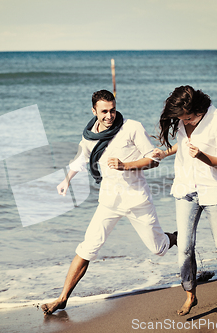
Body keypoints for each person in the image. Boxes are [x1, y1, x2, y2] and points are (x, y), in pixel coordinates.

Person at [41, 90, 177, 315]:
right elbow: (79, 160)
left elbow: (153, 160)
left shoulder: (131, 127)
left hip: (137, 200)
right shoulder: (88, 136)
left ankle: (174, 238)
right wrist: (66, 181)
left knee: (158, 249)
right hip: (108, 202)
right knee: (87, 248)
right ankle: (62, 298)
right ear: (93, 111)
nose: (109, 115)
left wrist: (126, 165)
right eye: (104, 111)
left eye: (112, 110)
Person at [154, 85, 217, 315]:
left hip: (214, 190)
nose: (185, 122)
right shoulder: (184, 119)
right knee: (185, 246)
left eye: (188, 118)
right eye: (182, 119)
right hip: (185, 189)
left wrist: (201, 155)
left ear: (199, 109)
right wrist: (165, 152)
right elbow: (184, 144)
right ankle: (190, 294)